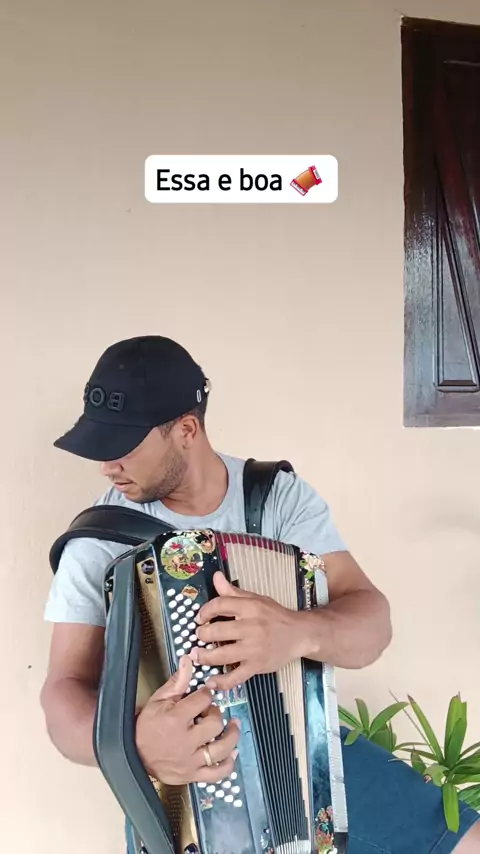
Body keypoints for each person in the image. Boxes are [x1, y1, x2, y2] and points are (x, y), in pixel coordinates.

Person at [41, 335, 480, 854]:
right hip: (187, 781)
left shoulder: (276, 499)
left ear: (186, 430)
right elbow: (63, 692)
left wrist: (298, 632)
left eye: (124, 445)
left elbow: (373, 627)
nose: (106, 466)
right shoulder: (100, 539)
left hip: (304, 749)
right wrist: (135, 743)